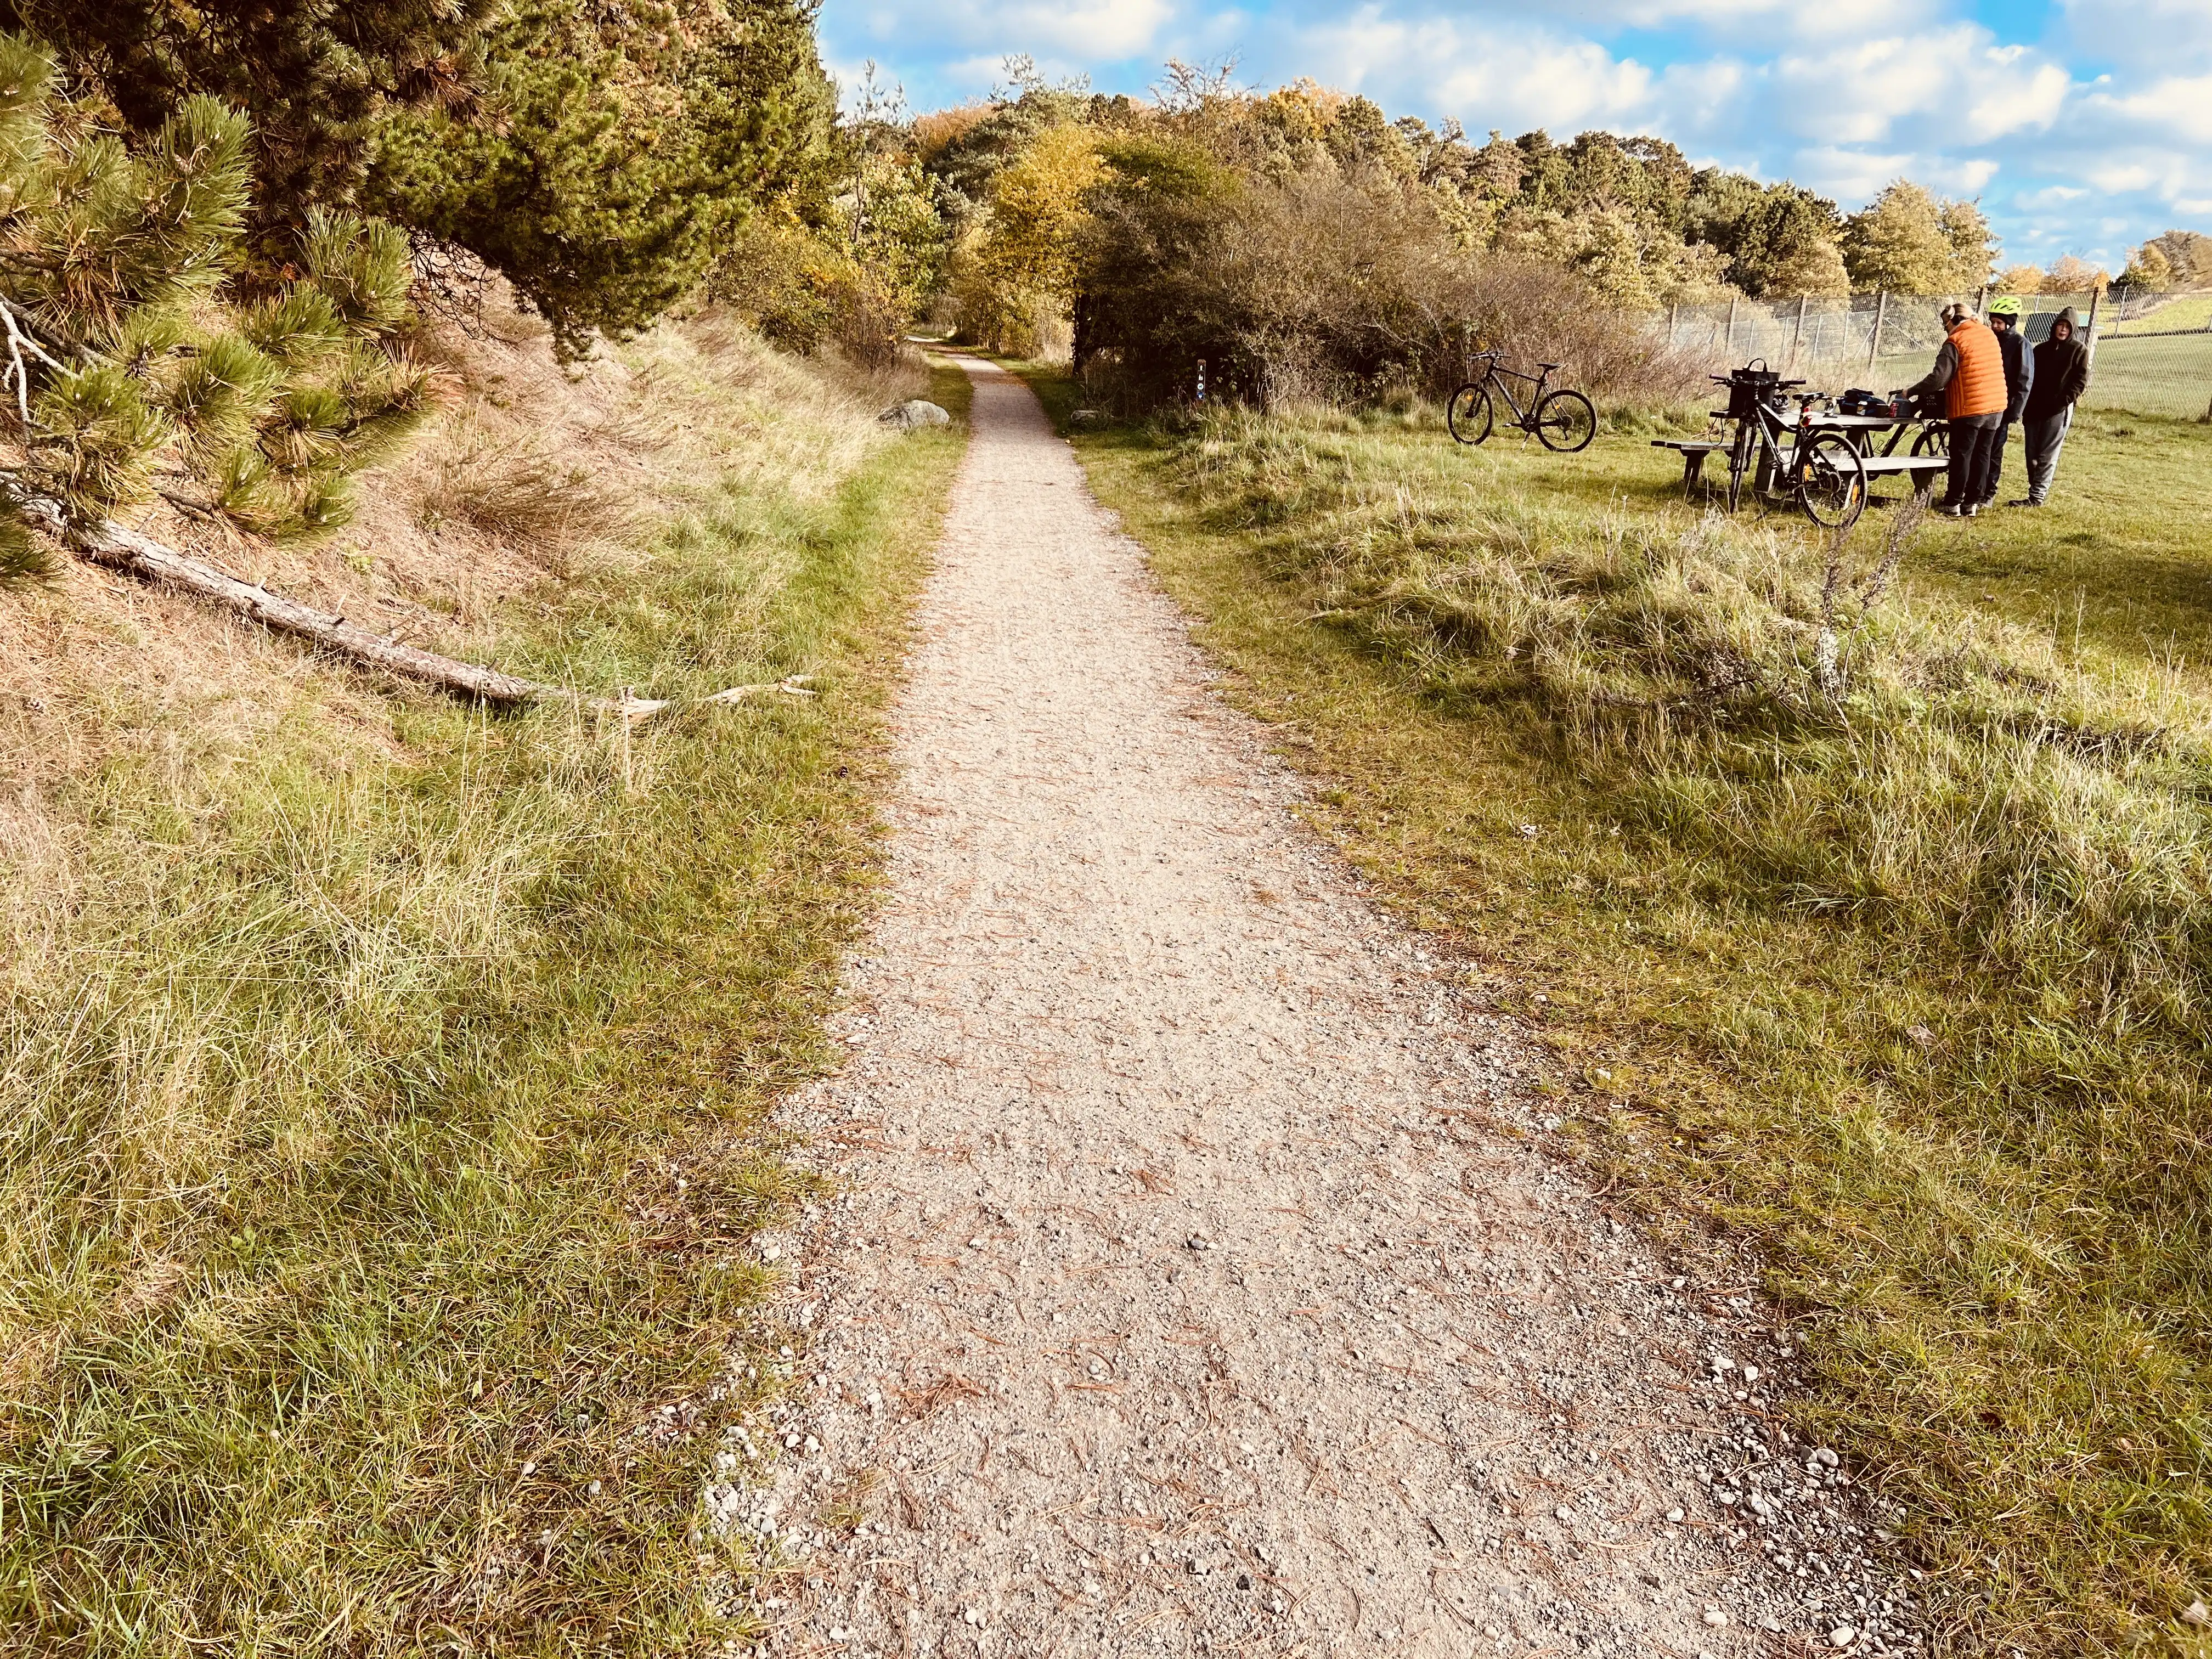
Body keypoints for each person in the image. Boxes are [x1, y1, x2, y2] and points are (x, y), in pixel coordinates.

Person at [1899, 300, 2007, 516]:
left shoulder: (1955, 341)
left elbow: (1938, 379)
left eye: (1945, 325)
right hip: (1996, 405)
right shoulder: (1988, 335)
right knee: (1982, 455)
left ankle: (1954, 502)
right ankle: (1972, 504)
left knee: (1962, 455)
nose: (1945, 330)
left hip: (1971, 406)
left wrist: (1911, 391)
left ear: (1953, 320)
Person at [2012, 306, 2091, 507]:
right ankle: (2034, 490)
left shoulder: (2079, 350)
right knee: (2032, 455)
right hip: (2035, 409)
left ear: (2073, 329)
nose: (2062, 330)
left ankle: (2036, 497)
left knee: (2047, 455)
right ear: (2054, 327)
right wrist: (2026, 407)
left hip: (2058, 410)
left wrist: (2062, 402)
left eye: (2067, 327)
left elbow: (2080, 381)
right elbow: (2030, 379)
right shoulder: (2040, 350)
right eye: (2060, 325)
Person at [1979, 295, 2033, 507]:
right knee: (1980, 450)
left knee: (1994, 452)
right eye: (1992, 322)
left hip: (2004, 406)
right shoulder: (1990, 340)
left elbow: (2024, 380)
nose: (1995, 326)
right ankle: (1975, 489)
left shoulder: (2020, 344)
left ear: (2009, 322)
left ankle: (1988, 493)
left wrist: (2015, 410)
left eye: (1999, 323)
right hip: (1984, 403)